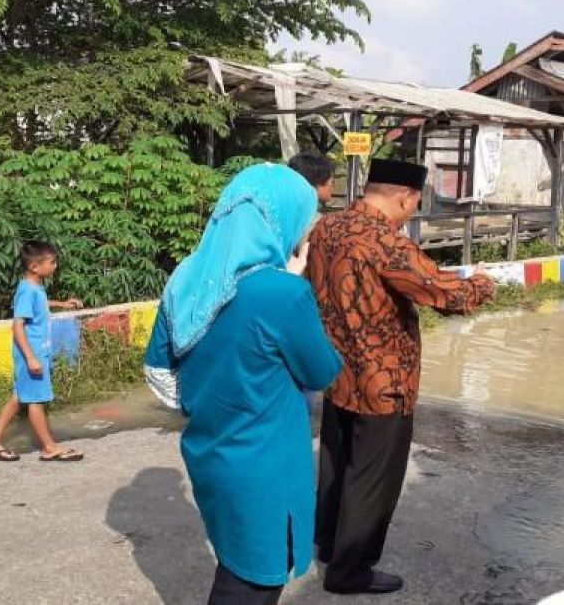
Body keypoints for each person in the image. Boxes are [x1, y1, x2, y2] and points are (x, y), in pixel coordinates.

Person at [144, 163, 342, 604]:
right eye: (303, 223)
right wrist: (295, 284)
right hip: (266, 464)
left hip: (209, 451)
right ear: (282, 222)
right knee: (255, 580)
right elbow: (323, 371)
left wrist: (215, 402)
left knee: (234, 561)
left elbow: (161, 373)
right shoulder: (282, 293)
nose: (303, 235)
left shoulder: (187, 279)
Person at [307, 158, 496, 595]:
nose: (411, 212)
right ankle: (349, 571)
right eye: (413, 205)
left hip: (338, 371)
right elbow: (444, 293)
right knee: (373, 478)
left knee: (337, 463)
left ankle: (330, 545)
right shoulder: (385, 241)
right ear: (403, 198)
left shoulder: (327, 228)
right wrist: (483, 283)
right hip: (383, 382)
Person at [0, 241, 85, 462]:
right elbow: (17, 325)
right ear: (35, 267)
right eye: (52, 262)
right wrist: (30, 358)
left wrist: (62, 304)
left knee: (19, 397)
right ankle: (49, 447)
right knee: (36, 401)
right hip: (32, 353)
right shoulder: (28, 290)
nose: (55, 266)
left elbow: (39, 306)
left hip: (36, 351)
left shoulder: (34, 287)